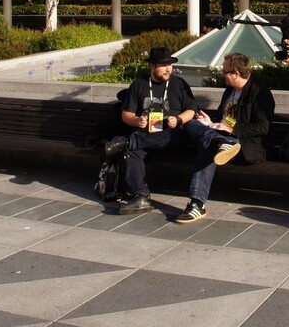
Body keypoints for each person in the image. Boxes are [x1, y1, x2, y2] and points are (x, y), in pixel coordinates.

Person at [103, 46, 242, 218]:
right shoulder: (139, 84)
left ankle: (127, 142)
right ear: (152, 66)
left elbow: (192, 110)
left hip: (171, 135)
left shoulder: (178, 84)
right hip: (145, 134)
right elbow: (126, 114)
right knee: (131, 152)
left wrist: (178, 119)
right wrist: (137, 120)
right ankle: (140, 196)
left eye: (169, 64)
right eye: (163, 65)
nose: (168, 68)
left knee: (134, 142)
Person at [185, 53, 275, 222]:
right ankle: (218, 141)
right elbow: (223, 119)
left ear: (236, 73)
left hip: (243, 145)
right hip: (222, 136)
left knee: (208, 148)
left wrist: (231, 129)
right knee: (190, 123)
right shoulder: (229, 91)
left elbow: (263, 126)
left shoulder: (259, 92)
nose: (222, 75)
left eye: (225, 72)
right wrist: (210, 123)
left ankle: (197, 203)